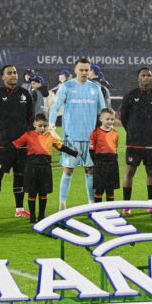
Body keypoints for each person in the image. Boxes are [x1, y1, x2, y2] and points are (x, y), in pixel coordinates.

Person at [48, 58, 107, 208]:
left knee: (90, 170)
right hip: (71, 137)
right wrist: (51, 124)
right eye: (81, 70)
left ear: (90, 71)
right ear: (75, 70)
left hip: (90, 138)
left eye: (86, 70)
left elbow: (103, 111)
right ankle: (62, 202)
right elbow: (56, 107)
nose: (83, 73)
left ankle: (91, 202)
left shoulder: (95, 88)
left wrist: (107, 127)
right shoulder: (67, 86)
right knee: (68, 171)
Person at [0, 65, 34, 219]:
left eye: (15, 72)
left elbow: (30, 118)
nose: (13, 75)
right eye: (10, 73)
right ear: (3, 77)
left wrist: (24, 135)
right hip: (4, 145)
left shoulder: (25, 94)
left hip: (21, 146)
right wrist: (2, 132)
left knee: (20, 176)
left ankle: (19, 209)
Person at [13, 113, 79, 223]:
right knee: (32, 193)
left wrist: (74, 153)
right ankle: (32, 216)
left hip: (45, 168)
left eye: (45, 126)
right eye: (40, 125)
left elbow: (61, 147)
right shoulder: (28, 135)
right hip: (31, 168)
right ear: (34, 124)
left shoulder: (49, 136)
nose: (42, 128)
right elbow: (15, 145)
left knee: (43, 193)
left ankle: (42, 216)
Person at [120, 67, 152, 212]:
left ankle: (151, 204)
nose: (146, 78)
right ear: (138, 78)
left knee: (151, 172)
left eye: (149, 75)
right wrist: (132, 131)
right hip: (134, 142)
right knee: (130, 172)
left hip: (150, 143)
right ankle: (126, 206)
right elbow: (124, 117)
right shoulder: (131, 95)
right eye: (143, 75)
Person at [89, 108, 120, 203]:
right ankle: (98, 210)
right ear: (101, 119)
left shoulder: (116, 133)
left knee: (110, 189)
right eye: (107, 119)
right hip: (100, 163)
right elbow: (91, 150)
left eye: (112, 119)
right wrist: (97, 163)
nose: (110, 121)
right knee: (99, 188)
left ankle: (110, 210)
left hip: (112, 163)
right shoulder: (95, 133)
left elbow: (115, 148)